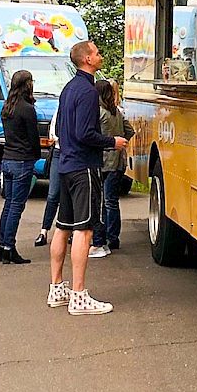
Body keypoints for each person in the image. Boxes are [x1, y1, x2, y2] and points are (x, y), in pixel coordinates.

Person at [48, 42, 122, 315]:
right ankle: (79, 293)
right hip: (84, 167)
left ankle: (57, 288)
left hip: (66, 164)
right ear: (88, 59)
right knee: (85, 229)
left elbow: (64, 129)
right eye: (98, 53)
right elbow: (85, 134)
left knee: (63, 226)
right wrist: (112, 141)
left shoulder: (68, 89)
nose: (101, 56)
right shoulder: (89, 91)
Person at [0, 69, 39, 264]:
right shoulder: (27, 108)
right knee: (16, 206)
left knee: (8, 204)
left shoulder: (8, 107)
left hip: (8, 157)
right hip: (23, 159)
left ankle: (1, 246)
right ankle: (9, 247)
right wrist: (37, 156)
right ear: (27, 85)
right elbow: (33, 137)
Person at [90, 79, 134, 258]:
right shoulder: (116, 111)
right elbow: (130, 131)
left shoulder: (97, 112)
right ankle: (113, 237)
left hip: (102, 159)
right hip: (117, 161)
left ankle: (101, 238)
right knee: (112, 201)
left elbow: (92, 135)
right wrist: (120, 141)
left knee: (101, 201)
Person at [33, 105, 60, 248]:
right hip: (58, 151)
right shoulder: (59, 110)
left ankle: (70, 231)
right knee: (53, 194)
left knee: (70, 195)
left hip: (71, 153)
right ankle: (44, 231)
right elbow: (53, 134)